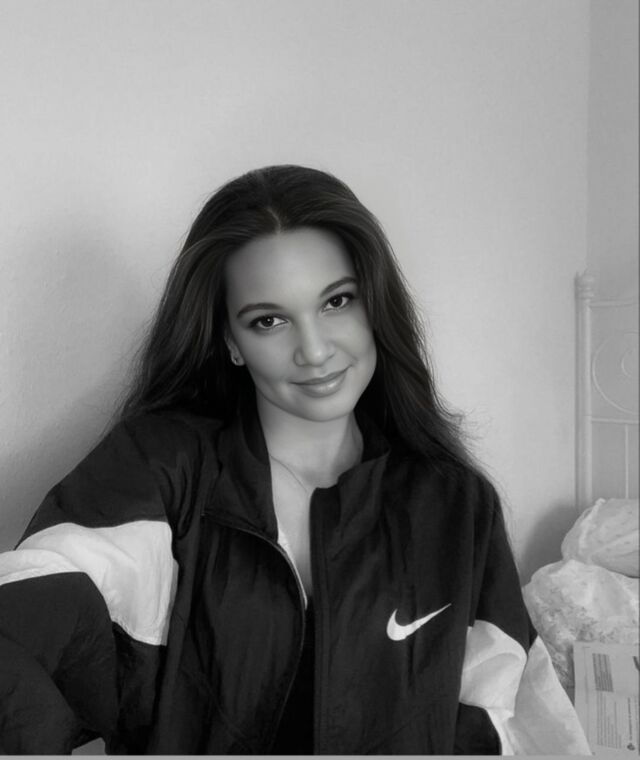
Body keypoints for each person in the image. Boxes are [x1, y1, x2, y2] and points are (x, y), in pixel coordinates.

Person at [0, 165, 589, 755]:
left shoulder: (455, 503)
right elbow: (35, 612)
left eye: (337, 301)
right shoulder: (160, 467)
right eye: (269, 320)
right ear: (231, 342)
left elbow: (506, 715)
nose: (314, 350)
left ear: (375, 305)